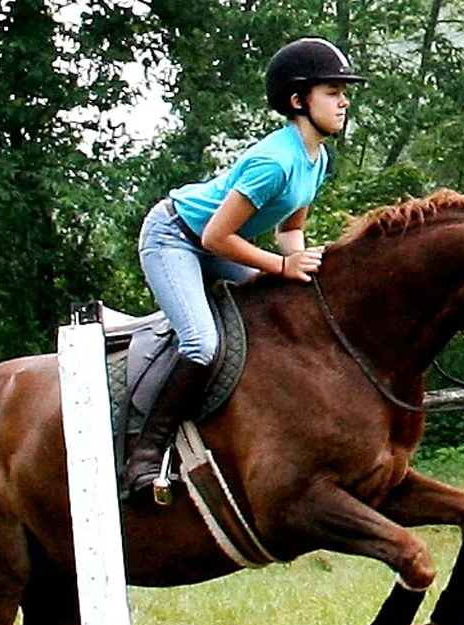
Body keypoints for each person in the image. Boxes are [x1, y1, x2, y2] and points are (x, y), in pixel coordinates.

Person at [122, 37, 366, 496]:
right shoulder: (274, 162)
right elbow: (216, 236)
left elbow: (290, 234)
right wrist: (280, 266)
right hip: (175, 237)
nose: (344, 100)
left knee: (287, 307)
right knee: (200, 344)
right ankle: (145, 456)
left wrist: (302, 272)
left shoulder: (317, 159)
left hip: (216, 245)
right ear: (299, 100)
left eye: (343, 92)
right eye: (332, 91)